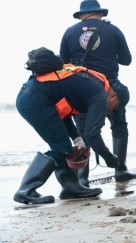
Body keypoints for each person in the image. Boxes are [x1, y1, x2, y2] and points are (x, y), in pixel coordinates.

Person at [14, 48, 120, 204]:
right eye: (114, 107)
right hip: (36, 102)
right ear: (113, 95)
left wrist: (77, 140)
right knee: (61, 148)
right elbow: (92, 134)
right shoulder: (99, 95)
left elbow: (62, 112)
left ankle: (71, 188)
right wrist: (109, 158)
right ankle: (25, 191)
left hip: (30, 95)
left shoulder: (87, 83)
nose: (109, 112)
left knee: (62, 147)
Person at [60, 0, 136, 183]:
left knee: (83, 132)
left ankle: (83, 178)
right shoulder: (113, 30)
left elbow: (63, 64)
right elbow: (126, 60)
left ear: (81, 16)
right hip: (110, 88)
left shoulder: (69, 32)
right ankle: (120, 170)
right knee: (118, 126)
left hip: (81, 89)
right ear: (101, 14)